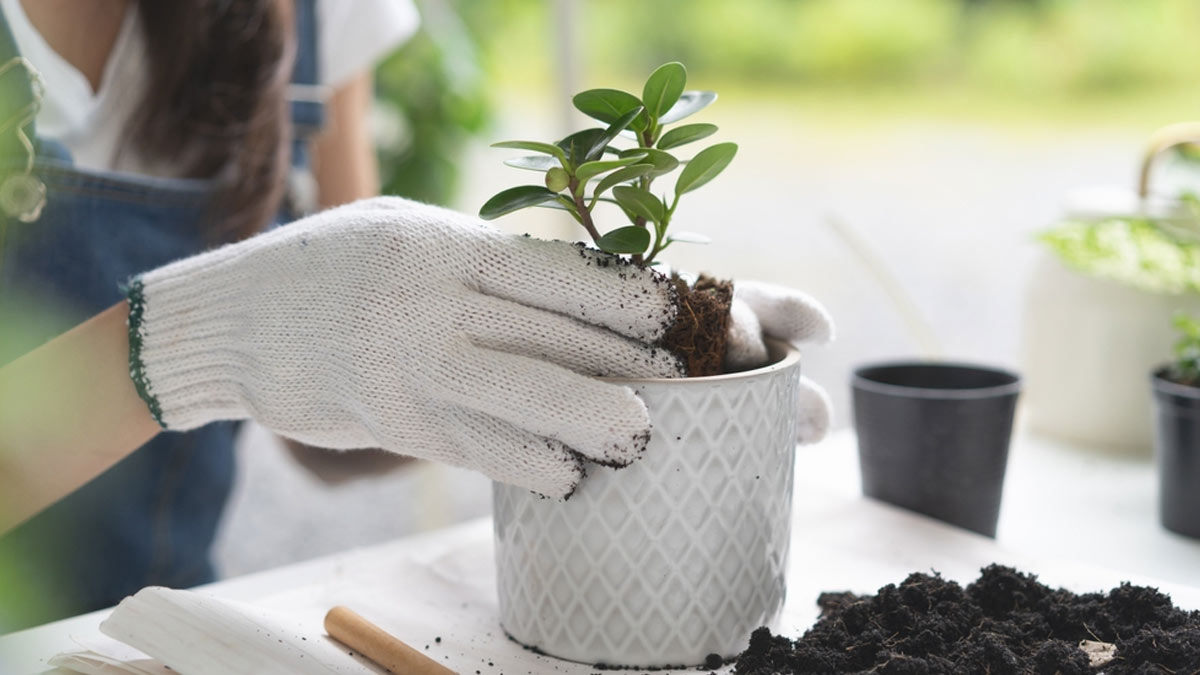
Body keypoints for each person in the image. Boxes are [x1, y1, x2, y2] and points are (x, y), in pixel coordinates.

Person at [0, 0, 833, 633]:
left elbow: (338, 402)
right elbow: (269, 327)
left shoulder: (315, 11)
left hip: (146, 635)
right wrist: (203, 335)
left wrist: (509, 345)